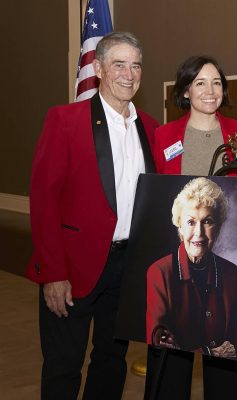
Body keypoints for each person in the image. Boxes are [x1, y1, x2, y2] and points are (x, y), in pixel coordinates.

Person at [26, 32, 158, 400]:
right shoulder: (65, 120)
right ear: (98, 68)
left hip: (127, 267)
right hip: (72, 267)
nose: (129, 74)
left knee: (111, 360)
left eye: (136, 65)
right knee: (63, 365)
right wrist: (53, 273)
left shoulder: (150, 126)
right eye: (119, 64)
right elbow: (44, 200)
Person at [146, 56, 237, 400]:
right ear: (186, 91)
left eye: (217, 82)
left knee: (225, 361)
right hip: (177, 259)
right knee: (171, 361)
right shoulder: (164, 135)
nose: (210, 91)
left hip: (220, 258)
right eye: (201, 83)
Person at [146, 177, 237, 361]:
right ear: (179, 226)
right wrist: (211, 353)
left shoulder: (233, 275)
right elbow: (158, 343)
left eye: (207, 221)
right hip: (173, 367)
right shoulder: (159, 273)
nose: (199, 233)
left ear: (218, 227)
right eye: (190, 222)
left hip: (224, 371)